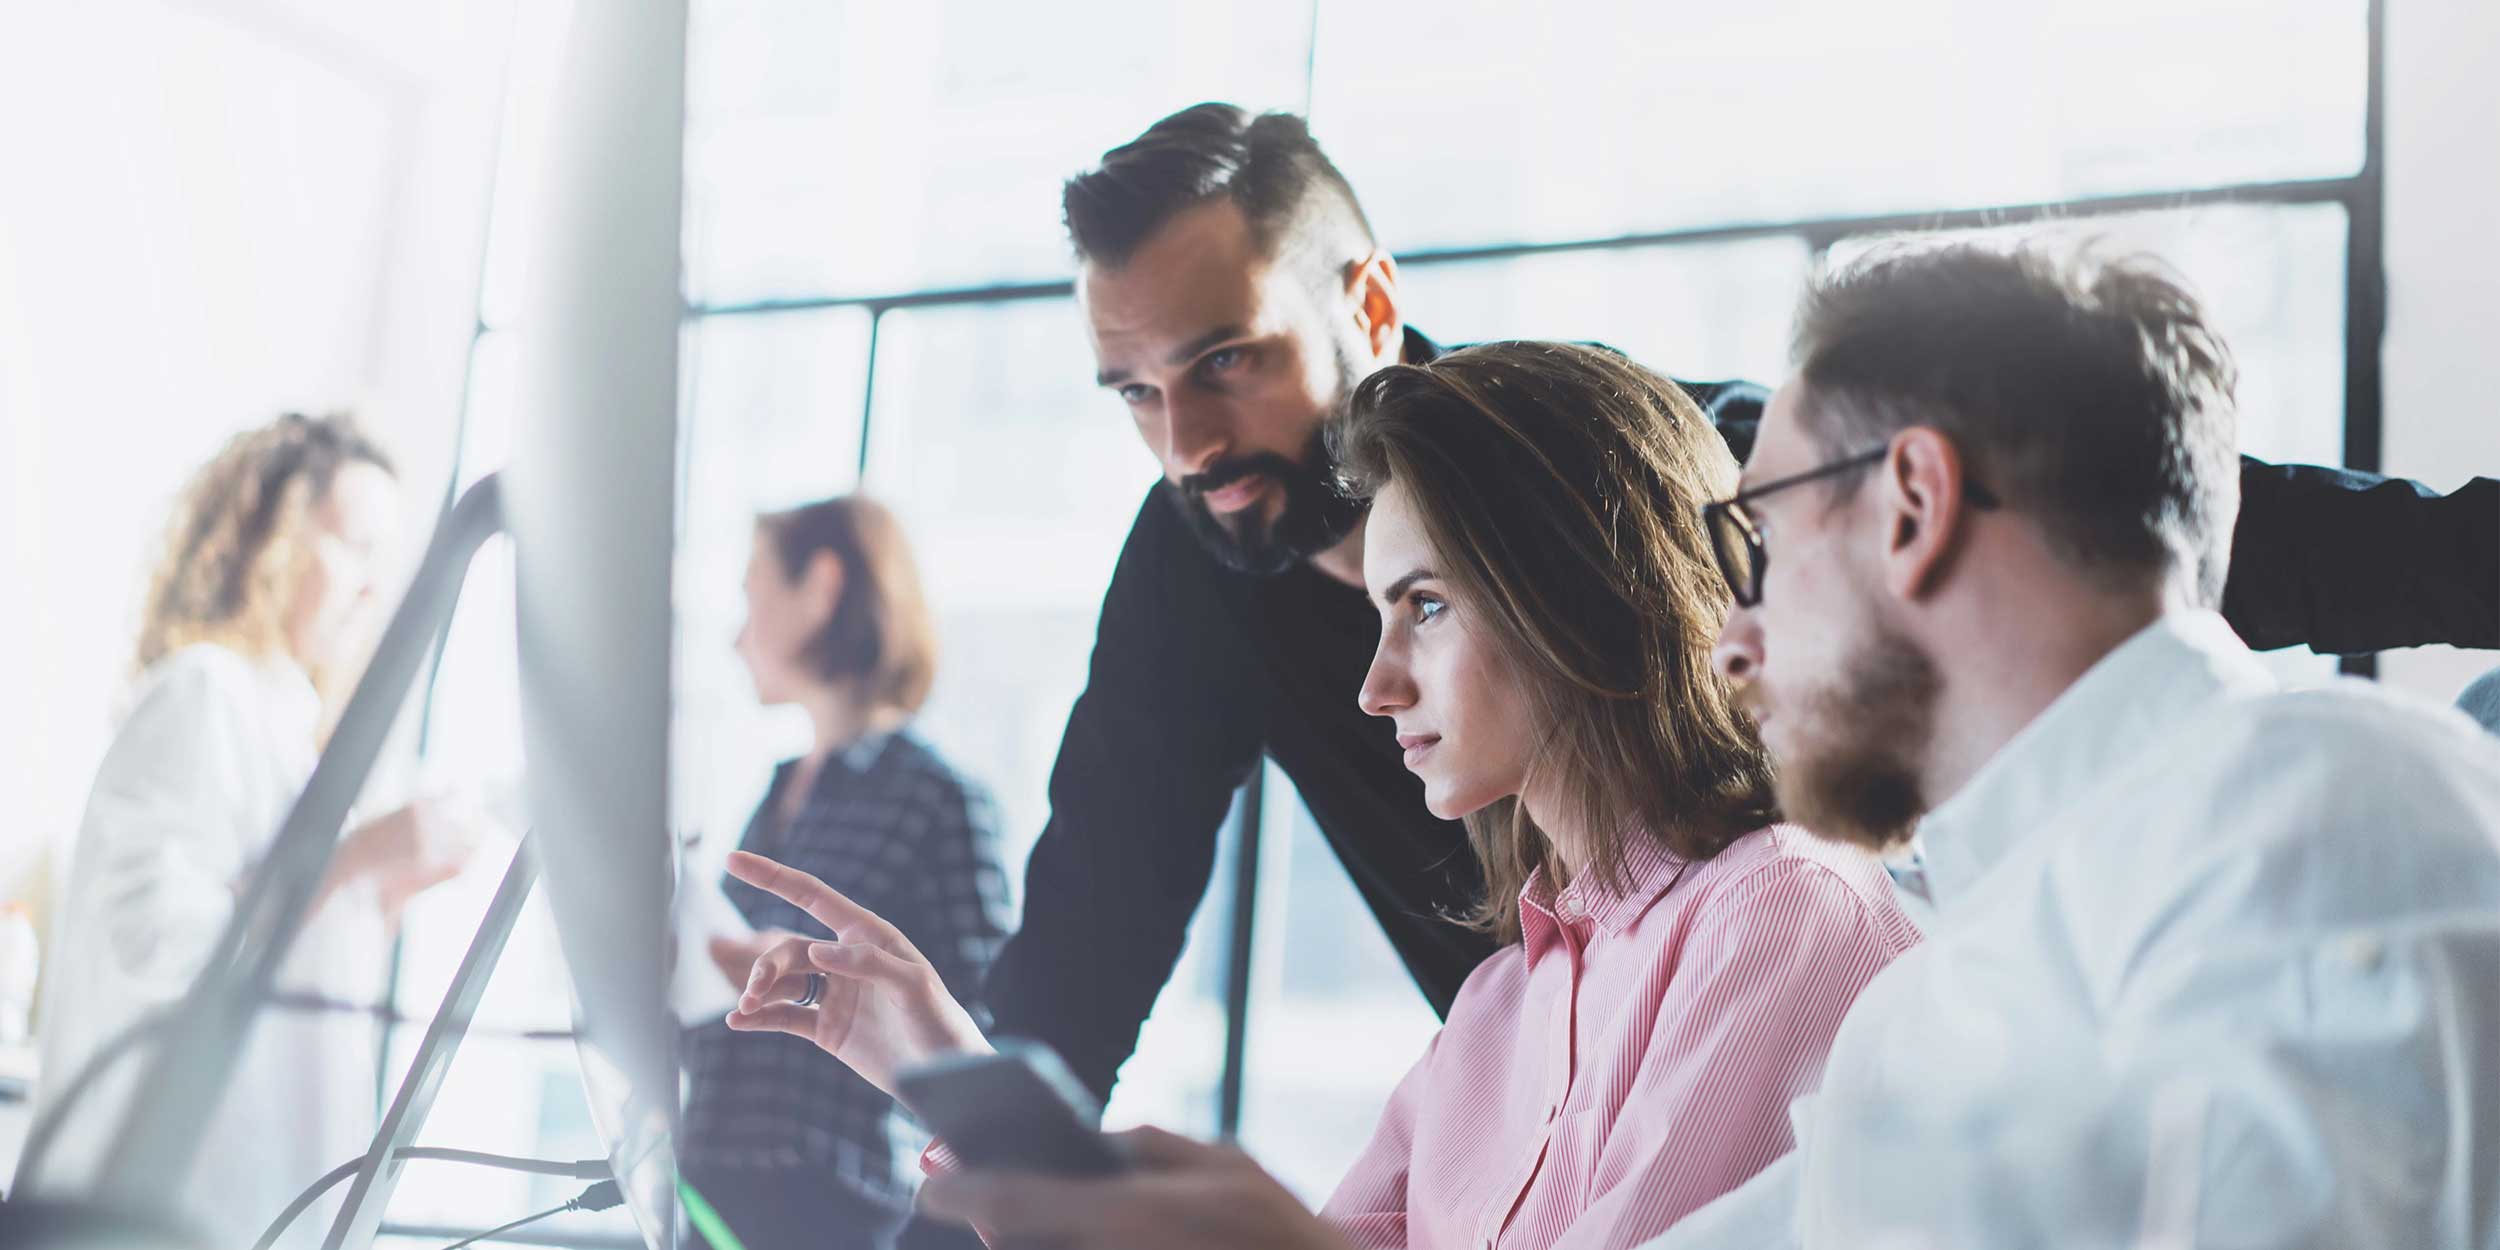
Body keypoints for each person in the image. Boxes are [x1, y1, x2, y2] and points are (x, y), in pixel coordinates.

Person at [971, 103, 2500, 1133]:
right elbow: (1086, 941)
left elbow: (2095, 508)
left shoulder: (1632, 466)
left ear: (1367, 308)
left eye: (1227, 361)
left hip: (1807, 1035)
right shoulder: (1186, 576)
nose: (1185, 442)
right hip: (1584, 1114)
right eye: (1136, 391)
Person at [722, 341, 1919, 1248]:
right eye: (1377, 611)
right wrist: (949, 1068)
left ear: (1580, 593)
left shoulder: (1781, 914)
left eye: (1427, 604)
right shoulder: (1505, 1000)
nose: (1373, 684)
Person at [1654, 239, 2500, 1246]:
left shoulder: (2303, 814)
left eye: (1762, 539)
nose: (1727, 644)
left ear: (1912, 507)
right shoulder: (1928, 983)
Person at [30, 413, 483, 1250]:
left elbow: (280, 962)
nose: (370, 591)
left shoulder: (288, 728)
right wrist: (353, 859)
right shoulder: (202, 695)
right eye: (351, 547)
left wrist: (376, 894)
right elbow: (163, 946)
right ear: (264, 543)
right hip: (151, 1217)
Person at [680, 496, 1012, 1250]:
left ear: (821, 587)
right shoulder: (777, 791)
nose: (737, 636)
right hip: (714, 1191)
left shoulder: (942, 799)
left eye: (752, 596)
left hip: (833, 1209)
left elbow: (980, 1034)